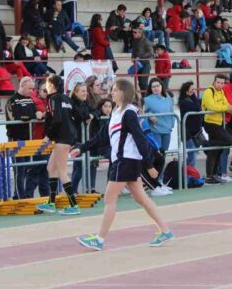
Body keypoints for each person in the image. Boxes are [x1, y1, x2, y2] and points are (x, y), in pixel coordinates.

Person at [73, 78, 174, 251]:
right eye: (112, 89)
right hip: (125, 161)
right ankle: (165, 230)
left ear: (124, 93)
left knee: (109, 198)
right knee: (141, 198)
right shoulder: (116, 112)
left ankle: (99, 239)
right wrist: (82, 147)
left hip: (125, 161)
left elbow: (139, 138)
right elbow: (102, 136)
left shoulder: (129, 113)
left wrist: (149, 165)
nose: (111, 92)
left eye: (115, 90)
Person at [35, 75, 81, 215]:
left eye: (47, 84)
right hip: (65, 137)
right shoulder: (66, 98)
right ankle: (51, 202)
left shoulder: (53, 99)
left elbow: (57, 119)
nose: (46, 87)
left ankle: (74, 205)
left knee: (61, 170)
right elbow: (78, 115)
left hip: (62, 138)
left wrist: (48, 135)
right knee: (51, 168)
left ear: (52, 85)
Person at [5, 77, 42, 199]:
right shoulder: (12, 100)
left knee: (26, 168)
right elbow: (16, 118)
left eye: (33, 88)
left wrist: (36, 115)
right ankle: (19, 196)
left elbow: (36, 115)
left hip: (28, 138)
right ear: (22, 86)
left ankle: (21, 194)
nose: (32, 91)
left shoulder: (31, 100)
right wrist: (33, 116)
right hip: (16, 138)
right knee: (19, 169)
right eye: (29, 88)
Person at [201, 74, 232, 185]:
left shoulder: (221, 92)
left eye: (222, 83)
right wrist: (227, 108)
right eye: (218, 82)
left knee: (216, 150)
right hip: (210, 123)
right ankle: (207, 144)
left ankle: (212, 176)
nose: (220, 85)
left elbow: (226, 104)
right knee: (230, 140)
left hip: (219, 123)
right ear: (214, 82)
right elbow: (212, 106)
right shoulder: (209, 92)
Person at [68, 82, 100, 193]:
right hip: (75, 139)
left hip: (85, 138)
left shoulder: (85, 102)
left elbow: (96, 111)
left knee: (90, 164)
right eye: (82, 91)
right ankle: (72, 191)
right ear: (76, 92)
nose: (85, 93)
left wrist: (92, 115)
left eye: (86, 91)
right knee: (79, 166)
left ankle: (88, 189)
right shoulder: (71, 103)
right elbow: (80, 116)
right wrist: (89, 115)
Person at [178, 81, 202, 168]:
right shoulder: (184, 102)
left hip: (195, 132)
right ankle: (187, 174)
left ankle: (188, 173)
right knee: (192, 154)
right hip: (187, 133)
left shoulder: (192, 100)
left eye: (195, 90)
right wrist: (194, 96)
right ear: (186, 91)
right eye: (192, 90)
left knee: (193, 154)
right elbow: (197, 109)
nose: (194, 92)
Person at [131, 27, 154, 92]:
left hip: (145, 64)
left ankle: (147, 97)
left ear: (140, 33)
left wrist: (140, 57)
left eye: (135, 32)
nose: (133, 34)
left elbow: (151, 53)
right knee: (140, 83)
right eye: (133, 32)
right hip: (138, 64)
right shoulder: (135, 41)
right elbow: (134, 51)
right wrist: (132, 57)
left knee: (144, 82)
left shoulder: (146, 41)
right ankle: (144, 98)